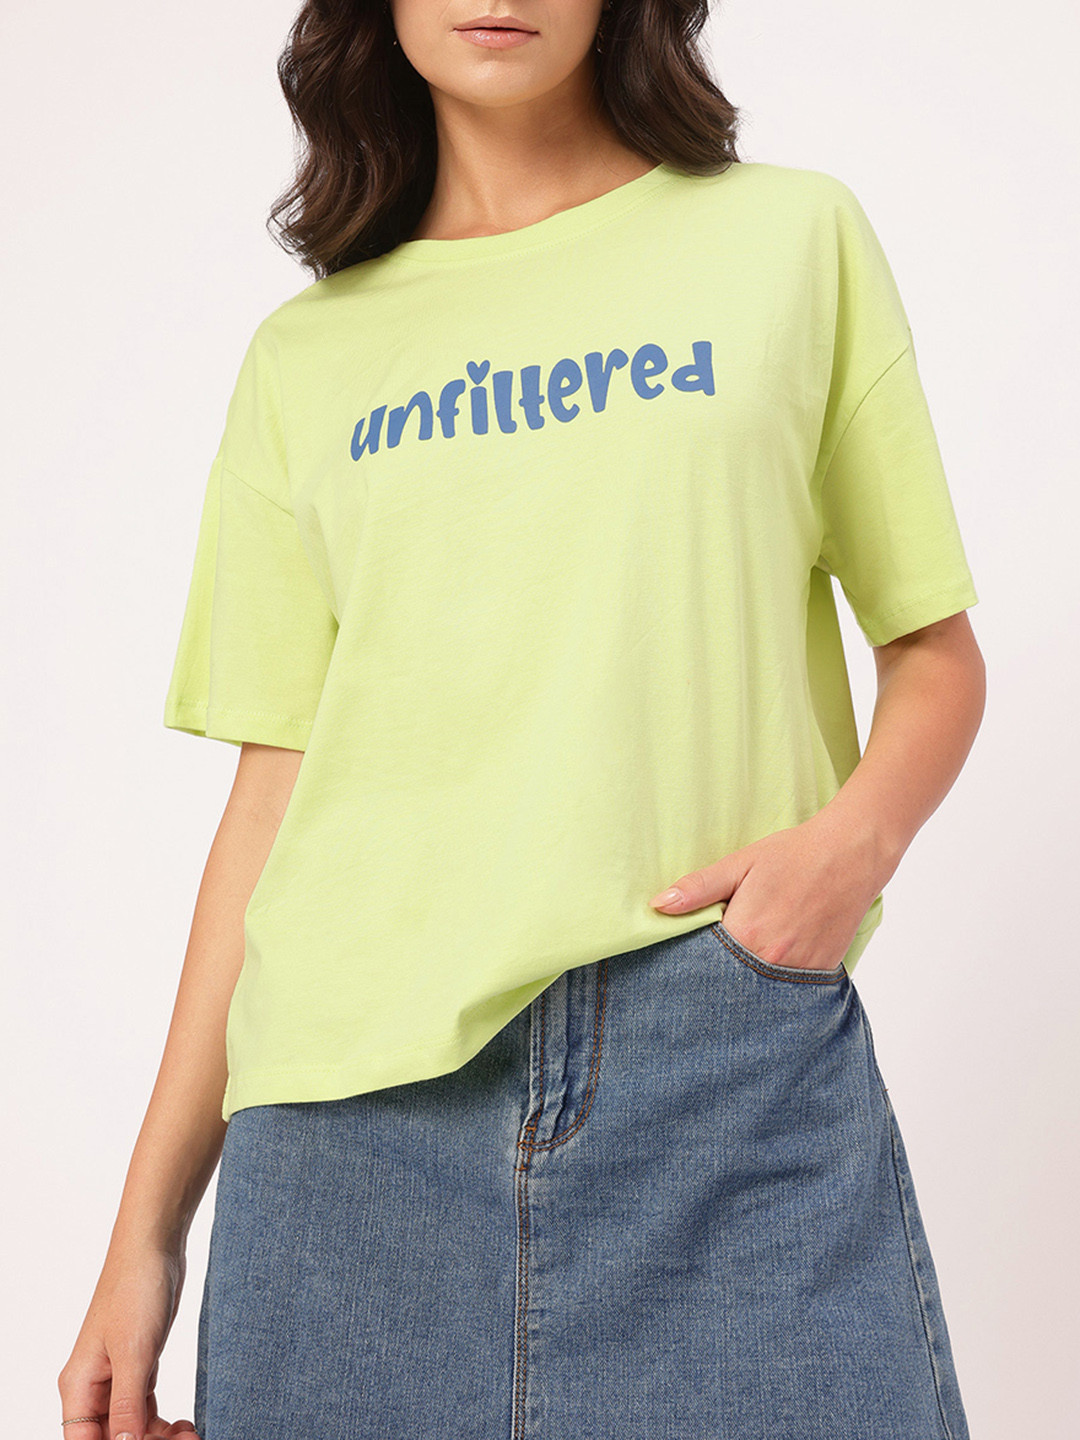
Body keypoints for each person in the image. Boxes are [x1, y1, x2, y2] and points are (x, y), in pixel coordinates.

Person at [58, 1, 986, 1436]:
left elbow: (931, 650)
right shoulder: (305, 358)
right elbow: (274, 797)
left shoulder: (790, 240)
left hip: (721, 1073)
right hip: (348, 1150)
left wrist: (840, 859)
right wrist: (146, 1238)